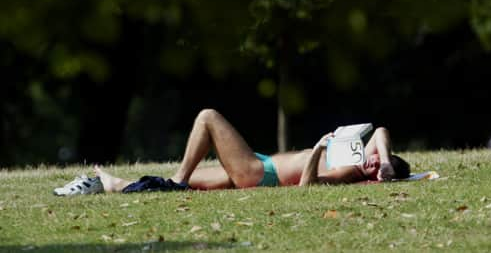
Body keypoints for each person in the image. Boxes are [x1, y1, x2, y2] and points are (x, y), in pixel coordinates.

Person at [58, 108, 410, 195]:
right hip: (260, 165)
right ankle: (106, 183)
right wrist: (382, 156)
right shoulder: (361, 151)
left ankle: (177, 181)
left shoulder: (349, 171)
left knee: (207, 117)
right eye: (378, 156)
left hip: (259, 174)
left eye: (378, 164)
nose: (373, 157)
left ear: (379, 174)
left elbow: (308, 186)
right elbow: (380, 131)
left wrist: (320, 147)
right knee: (176, 183)